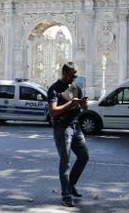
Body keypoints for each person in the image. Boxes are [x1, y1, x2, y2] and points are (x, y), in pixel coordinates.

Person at [47, 62, 89, 207]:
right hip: (61, 128)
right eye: (72, 75)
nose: (74, 77)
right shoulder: (54, 89)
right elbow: (52, 111)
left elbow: (83, 108)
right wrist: (71, 103)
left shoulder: (76, 87)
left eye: (76, 75)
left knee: (84, 157)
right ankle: (66, 195)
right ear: (65, 73)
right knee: (65, 161)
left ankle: (71, 185)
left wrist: (83, 105)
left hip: (76, 127)